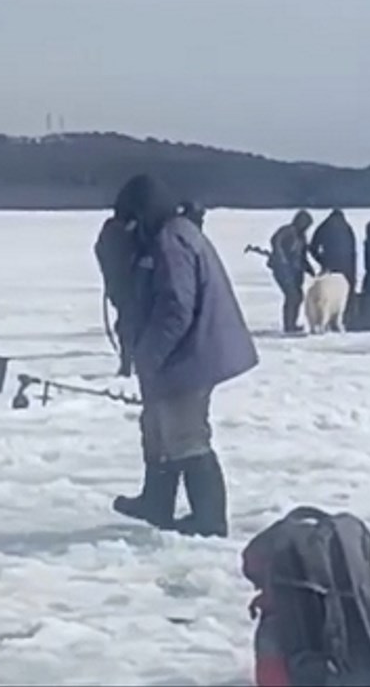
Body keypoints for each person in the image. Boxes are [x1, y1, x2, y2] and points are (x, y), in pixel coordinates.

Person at [110, 174, 259, 537]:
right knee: (158, 428)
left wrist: (149, 356)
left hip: (192, 353)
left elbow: (176, 308)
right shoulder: (172, 234)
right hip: (187, 350)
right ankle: (156, 501)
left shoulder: (171, 241)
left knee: (186, 435)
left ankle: (209, 519)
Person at [94, 212, 140, 377]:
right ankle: (129, 362)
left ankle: (129, 362)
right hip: (128, 286)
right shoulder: (119, 230)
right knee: (130, 324)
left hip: (125, 285)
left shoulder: (113, 229)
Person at [267, 210, 315, 334]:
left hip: (295, 272)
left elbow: (302, 256)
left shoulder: (301, 237)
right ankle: (289, 325)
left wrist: (309, 269)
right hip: (283, 270)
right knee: (292, 296)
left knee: (298, 296)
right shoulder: (287, 231)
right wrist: (281, 257)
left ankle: (292, 323)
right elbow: (275, 240)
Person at [308, 209, 357, 292]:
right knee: (345, 292)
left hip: (329, 266)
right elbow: (352, 253)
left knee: (327, 292)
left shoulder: (323, 227)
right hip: (346, 267)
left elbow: (313, 247)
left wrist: (321, 260)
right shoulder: (347, 228)